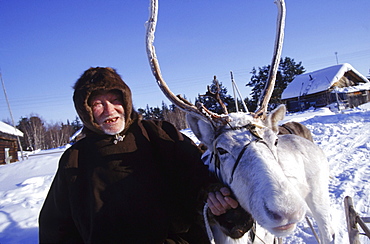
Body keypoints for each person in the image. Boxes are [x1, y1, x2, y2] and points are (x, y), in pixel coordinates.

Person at [38, 67, 249, 243]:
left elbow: (199, 178)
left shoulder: (158, 134)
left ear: (126, 100)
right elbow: (56, 226)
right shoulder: (74, 158)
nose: (109, 110)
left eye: (114, 100)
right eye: (98, 104)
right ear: (85, 111)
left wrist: (219, 203)